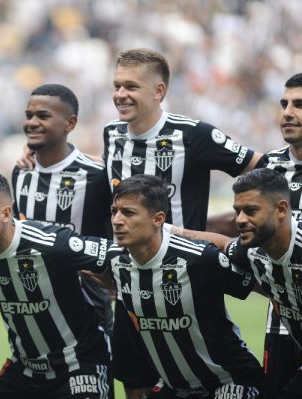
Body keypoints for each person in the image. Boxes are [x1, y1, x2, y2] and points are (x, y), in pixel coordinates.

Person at [102, 48, 262, 399]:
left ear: (158, 91)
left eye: (131, 86)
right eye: (116, 85)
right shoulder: (111, 135)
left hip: (189, 276)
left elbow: (262, 168)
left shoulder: (193, 135)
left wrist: (237, 220)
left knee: (209, 369)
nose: (120, 94)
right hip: (132, 279)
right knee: (136, 379)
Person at [103, 174, 263, 398]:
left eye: (128, 213)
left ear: (158, 219)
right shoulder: (116, 261)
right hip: (174, 390)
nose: (117, 220)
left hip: (230, 382)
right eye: (114, 211)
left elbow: (262, 286)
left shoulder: (199, 259)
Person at [0, 171, 111, 399]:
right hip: (25, 368)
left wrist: (110, 281)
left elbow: (118, 253)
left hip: (78, 363)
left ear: (6, 213)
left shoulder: (50, 243)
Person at [11, 83, 114, 395]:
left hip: (86, 323)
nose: (32, 122)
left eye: (43, 115)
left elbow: (114, 246)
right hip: (33, 323)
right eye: (29, 115)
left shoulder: (97, 176)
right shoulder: (21, 174)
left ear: (70, 124)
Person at [175, 168, 302, 398]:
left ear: (282, 209)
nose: (241, 220)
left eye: (251, 211)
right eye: (238, 211)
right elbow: (223, 244)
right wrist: (168, 231)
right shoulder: (253, 252)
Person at [253, 73, 302, 398]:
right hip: (281, 323)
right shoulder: (270, 167)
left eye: (299, 105)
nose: (287, 112)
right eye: (284, 103)